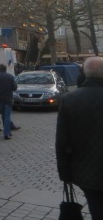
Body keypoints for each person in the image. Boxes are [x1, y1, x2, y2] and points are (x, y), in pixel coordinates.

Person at [56, 56, 103, 219]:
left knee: (96, 207)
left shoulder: (70, 100)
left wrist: (65, 173)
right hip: (87, 171)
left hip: (86, 172)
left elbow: (61, 141)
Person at [0, 63, 19, 139]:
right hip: (8, 99)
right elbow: (15, 88)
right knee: (7, 116)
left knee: (3, 115)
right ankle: (7, 133)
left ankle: (7, 131)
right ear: (5, 69)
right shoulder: (10, 76)